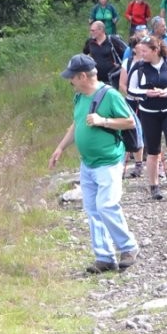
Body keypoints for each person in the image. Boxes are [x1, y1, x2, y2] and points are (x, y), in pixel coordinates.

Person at [49, 54, 140, 273]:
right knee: (92, 210)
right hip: (87, 164)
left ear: (82, 76)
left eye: (72, 77)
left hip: (108, 162)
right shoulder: (79, 97)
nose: (69, 81)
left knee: (106, 206)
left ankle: (128, 247)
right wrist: (60, 148)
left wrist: (103, 121)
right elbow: (76, 124)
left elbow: (129, 122)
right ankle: (104, 257)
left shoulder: (110, 95)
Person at [128, 35, 167, 199]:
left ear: (155, 50)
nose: (141, 54)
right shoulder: (138, 67)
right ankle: (154, 187)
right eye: (140, 51)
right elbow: (130, 90)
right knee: (153, 151)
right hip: (148, 113)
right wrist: (146, 93)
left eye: (144, 51)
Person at [119, 29, 150, 179]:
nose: (142, 46)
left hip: (148, 100)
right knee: (133, 131)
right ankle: (137, 164)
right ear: (134, 48)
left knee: (146, 129)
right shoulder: (128, 62)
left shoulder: (150, 61)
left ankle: (145, 159)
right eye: (139, 44)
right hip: (131, 101)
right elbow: (122, 84)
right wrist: (132, 94)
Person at [83, 21, 128, 86]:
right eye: (90, 30)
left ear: (101, 30)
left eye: (93, 30)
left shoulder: (112, 40)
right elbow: (85, 54)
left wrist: (120, 64)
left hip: (112, 77)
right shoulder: (90, 42)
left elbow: (127, 51)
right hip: (96, 78)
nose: (91, 33)